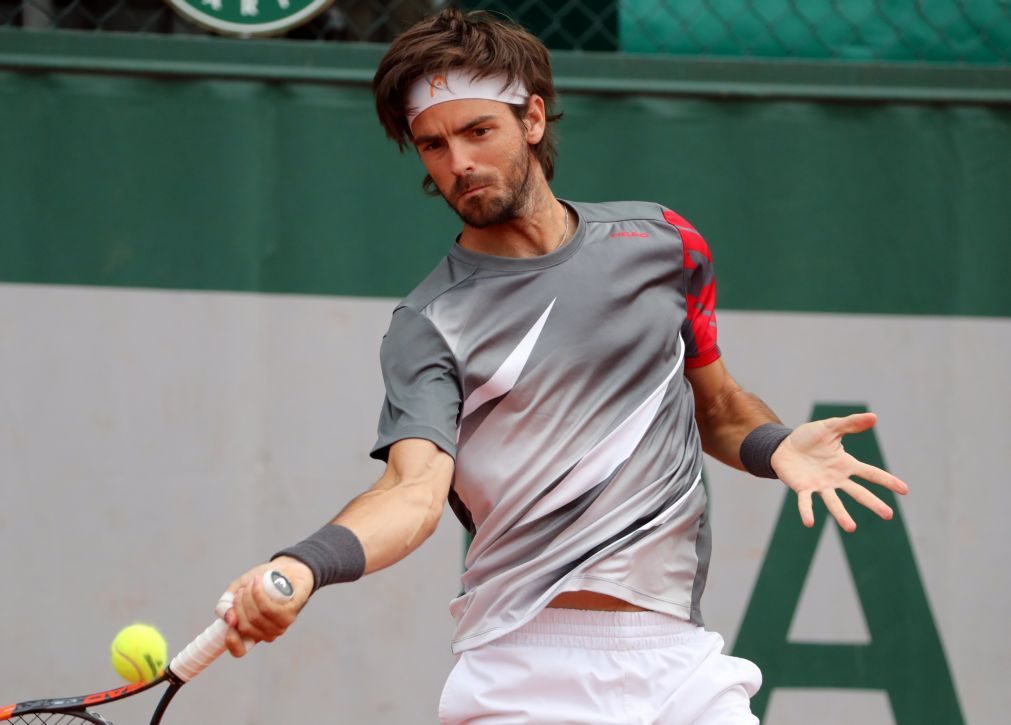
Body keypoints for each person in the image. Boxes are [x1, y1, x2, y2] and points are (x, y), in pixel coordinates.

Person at [222, 8, 909, 723]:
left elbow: (717, 406)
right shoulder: (429, 324)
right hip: (525, 666)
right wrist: (303, 563)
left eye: (477, 131)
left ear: (533, 118)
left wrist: (774, 446)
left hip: (680, 660)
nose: (457, 162)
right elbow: (412, 491)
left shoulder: (665, 244)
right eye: (433, 143)